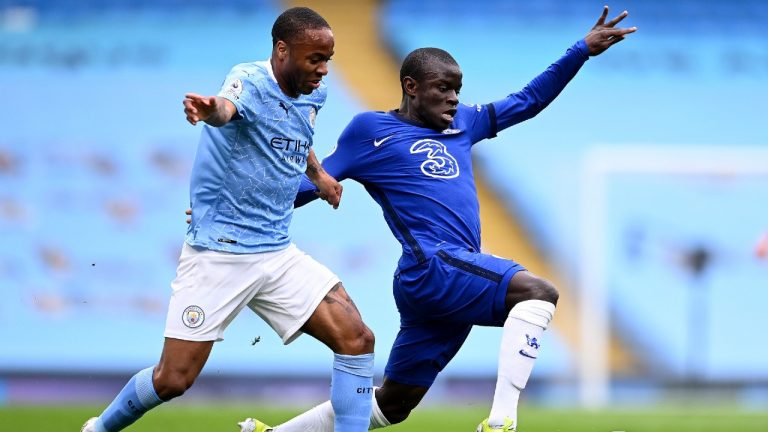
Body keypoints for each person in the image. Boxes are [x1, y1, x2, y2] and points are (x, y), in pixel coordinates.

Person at [235, 6, 636, 432]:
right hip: (433, 265)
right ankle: (502, 421)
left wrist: (580, 51)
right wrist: (241, 210)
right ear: (411, 87)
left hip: (440, 277)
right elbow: (317, 180)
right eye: (443, 88)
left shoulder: (464, 123)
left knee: (393, 404)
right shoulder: (371, 131)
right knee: (538, 293)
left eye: (457, 90)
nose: (453, 99)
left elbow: (528, 102)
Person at [81, 7, 375, 432]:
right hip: (220, 252)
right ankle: (99, 428)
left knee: (357, 339)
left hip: (277, 252)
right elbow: (227, 109)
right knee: (173, 379)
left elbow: (297, 136)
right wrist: (210, 108)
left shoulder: (315, 94)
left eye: (328, 60)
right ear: (282, 50)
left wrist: (320, 176)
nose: (324, 70)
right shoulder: (250, 80)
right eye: (315, 59)